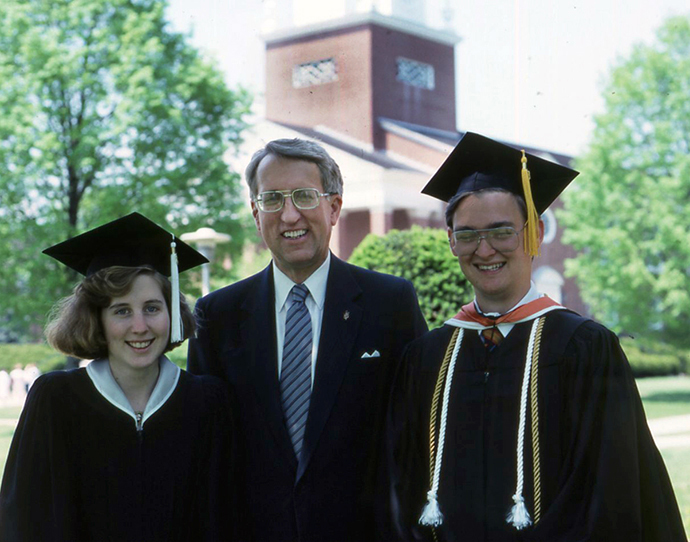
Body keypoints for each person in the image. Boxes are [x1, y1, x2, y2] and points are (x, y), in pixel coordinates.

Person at [386, 132, 686, 541]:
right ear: (452, 241)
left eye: (501, 231)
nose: (485, 249)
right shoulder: (427, 358)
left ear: (535, 233)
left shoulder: (585, 348)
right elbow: (401, 490)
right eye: (468, 234)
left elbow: (609, 495)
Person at [188, 138, 427, 541]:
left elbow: (415, 436)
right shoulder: (217, 316)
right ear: (254, 212)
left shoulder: (390, 304)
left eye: (303, 196)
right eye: (272, 199)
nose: (289, 214)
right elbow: (207, 453)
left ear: (334, 207)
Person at [0, 212, 236, 542]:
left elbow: (224, 519)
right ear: (96, 319)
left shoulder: (206, 402)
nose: (139, 326)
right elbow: (23, 521)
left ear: (172, 313)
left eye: (152, 308)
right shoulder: (55, 400)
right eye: (121, 311)